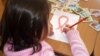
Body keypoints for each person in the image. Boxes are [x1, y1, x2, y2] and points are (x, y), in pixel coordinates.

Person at [0, 0, 89, 56]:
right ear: (34, 30)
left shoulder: (10, 41)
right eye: (48, 21)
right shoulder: (46, 53)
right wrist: (73, 35)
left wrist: (42, 33)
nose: (50, 24)